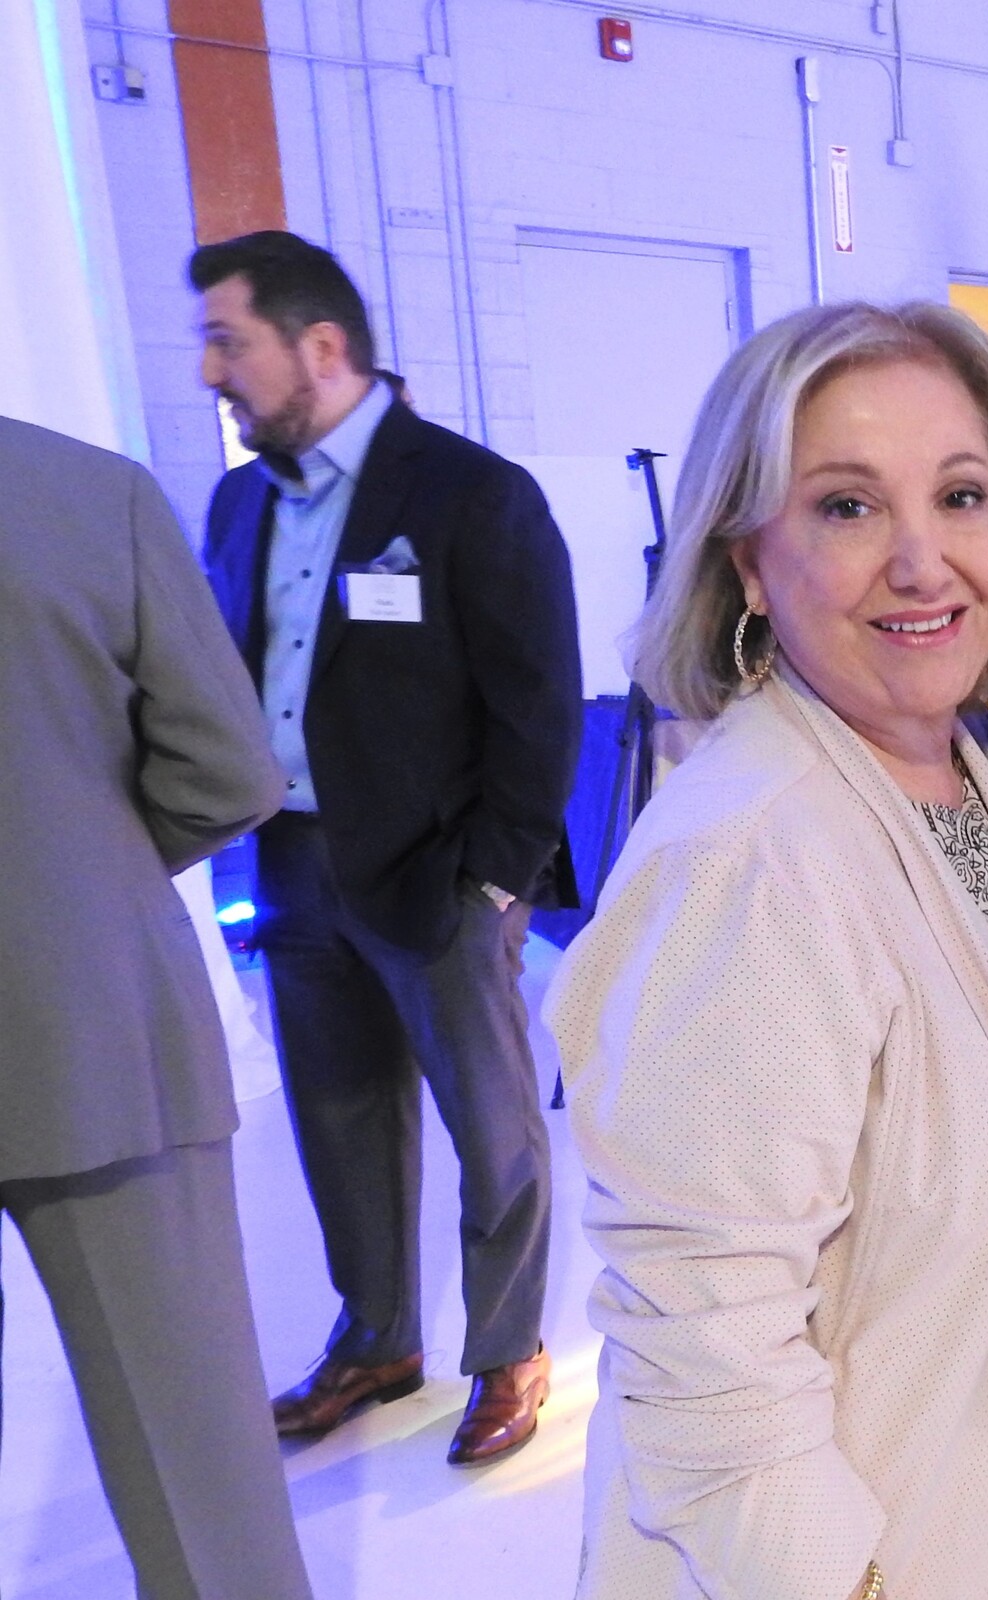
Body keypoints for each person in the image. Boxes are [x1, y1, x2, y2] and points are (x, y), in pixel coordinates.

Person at [545, 302, 988, 1600]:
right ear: (748, 563)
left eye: (961, 496)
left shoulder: (948, 770)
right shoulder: (750, 856)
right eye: (848, 507)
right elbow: (707, 1356)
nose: (924, 562)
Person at [191, 230, 583, 1465]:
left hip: (440, 872)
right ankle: (376, 1339)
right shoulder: (239, 500)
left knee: (493, 1131)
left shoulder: (470, 492)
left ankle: (507, 1348)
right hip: (296, 863)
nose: (210, 371)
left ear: (321, 347)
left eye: (228, 341)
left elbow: (540, 704)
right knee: (338, 1118)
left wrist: (496, 876)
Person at [0, 415, 313, 1600]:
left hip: (98, 1026)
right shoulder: (87, 494)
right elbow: (229, 770)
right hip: (96, 1025)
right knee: (203, 1488)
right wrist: (87, 878)